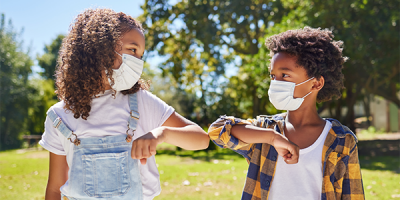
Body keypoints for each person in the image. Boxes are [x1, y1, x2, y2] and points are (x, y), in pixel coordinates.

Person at [39, 8, 209, 200]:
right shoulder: (59, 116)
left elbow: (201, 139)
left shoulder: (142, 101)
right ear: (99, 48)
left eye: (141, 55)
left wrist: (161, 133)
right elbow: (55, 188)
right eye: (133, 50)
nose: (138, 62)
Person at [208, 27, 364, 200]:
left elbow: (354, 196)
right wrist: (272, 138)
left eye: (285, 75)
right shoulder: (263, 131)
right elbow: (217, 130)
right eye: (273, 76)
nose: (276, 83)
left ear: (316, 83)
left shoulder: (342, 140)